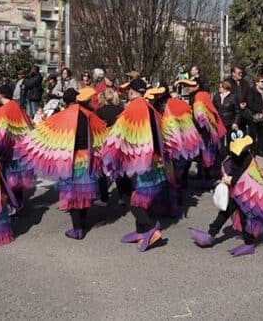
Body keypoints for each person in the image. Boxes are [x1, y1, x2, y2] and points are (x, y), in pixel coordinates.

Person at [23, 88, 108, 239]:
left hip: (71, 159)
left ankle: (77, 229)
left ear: (66, 101)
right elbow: (101, 131)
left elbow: (46, 132)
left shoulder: (62, 116)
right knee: (84, 192)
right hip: (86, 158)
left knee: (73, 194)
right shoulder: (88, 114)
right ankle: (83, 222)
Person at [188, 130, 263, 257]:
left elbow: (245, 175)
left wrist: (231, 179)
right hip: (234, 192)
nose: (244, 148)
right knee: (224, 212)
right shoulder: (232, 156)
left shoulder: (248, 157)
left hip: (245, 195)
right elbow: (230, 168)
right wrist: (225, 178)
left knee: (245, 217)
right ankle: (210, 235)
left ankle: (248, 243)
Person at [102, 77, 165, 251]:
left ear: (131, 91)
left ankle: (149, 228)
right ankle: (140, 231)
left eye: (128, 90)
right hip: (153, 159)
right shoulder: (149, 106)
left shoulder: (136, 107)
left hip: (142, 160)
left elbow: (121, 133)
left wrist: (108, 152)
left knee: (135, 200)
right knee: (141, 197)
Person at [0, 83, 35, 210]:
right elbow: (29, 124)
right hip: (23, 148)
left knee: (9, 180)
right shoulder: (17, 107)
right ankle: (19, 202)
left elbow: (1, 134)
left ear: (0, 95)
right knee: (18, 179)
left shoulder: (2, 110)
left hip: (10, 150)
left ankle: (14, 205)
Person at [247, 73, 263, 157]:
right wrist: (261, 109)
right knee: (253, 134)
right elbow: (250, 103)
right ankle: (252, 150)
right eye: (261, 81)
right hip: (254, 115)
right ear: (256, 82)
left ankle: (260, 150)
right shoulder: (252, 91)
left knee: (262, 133)